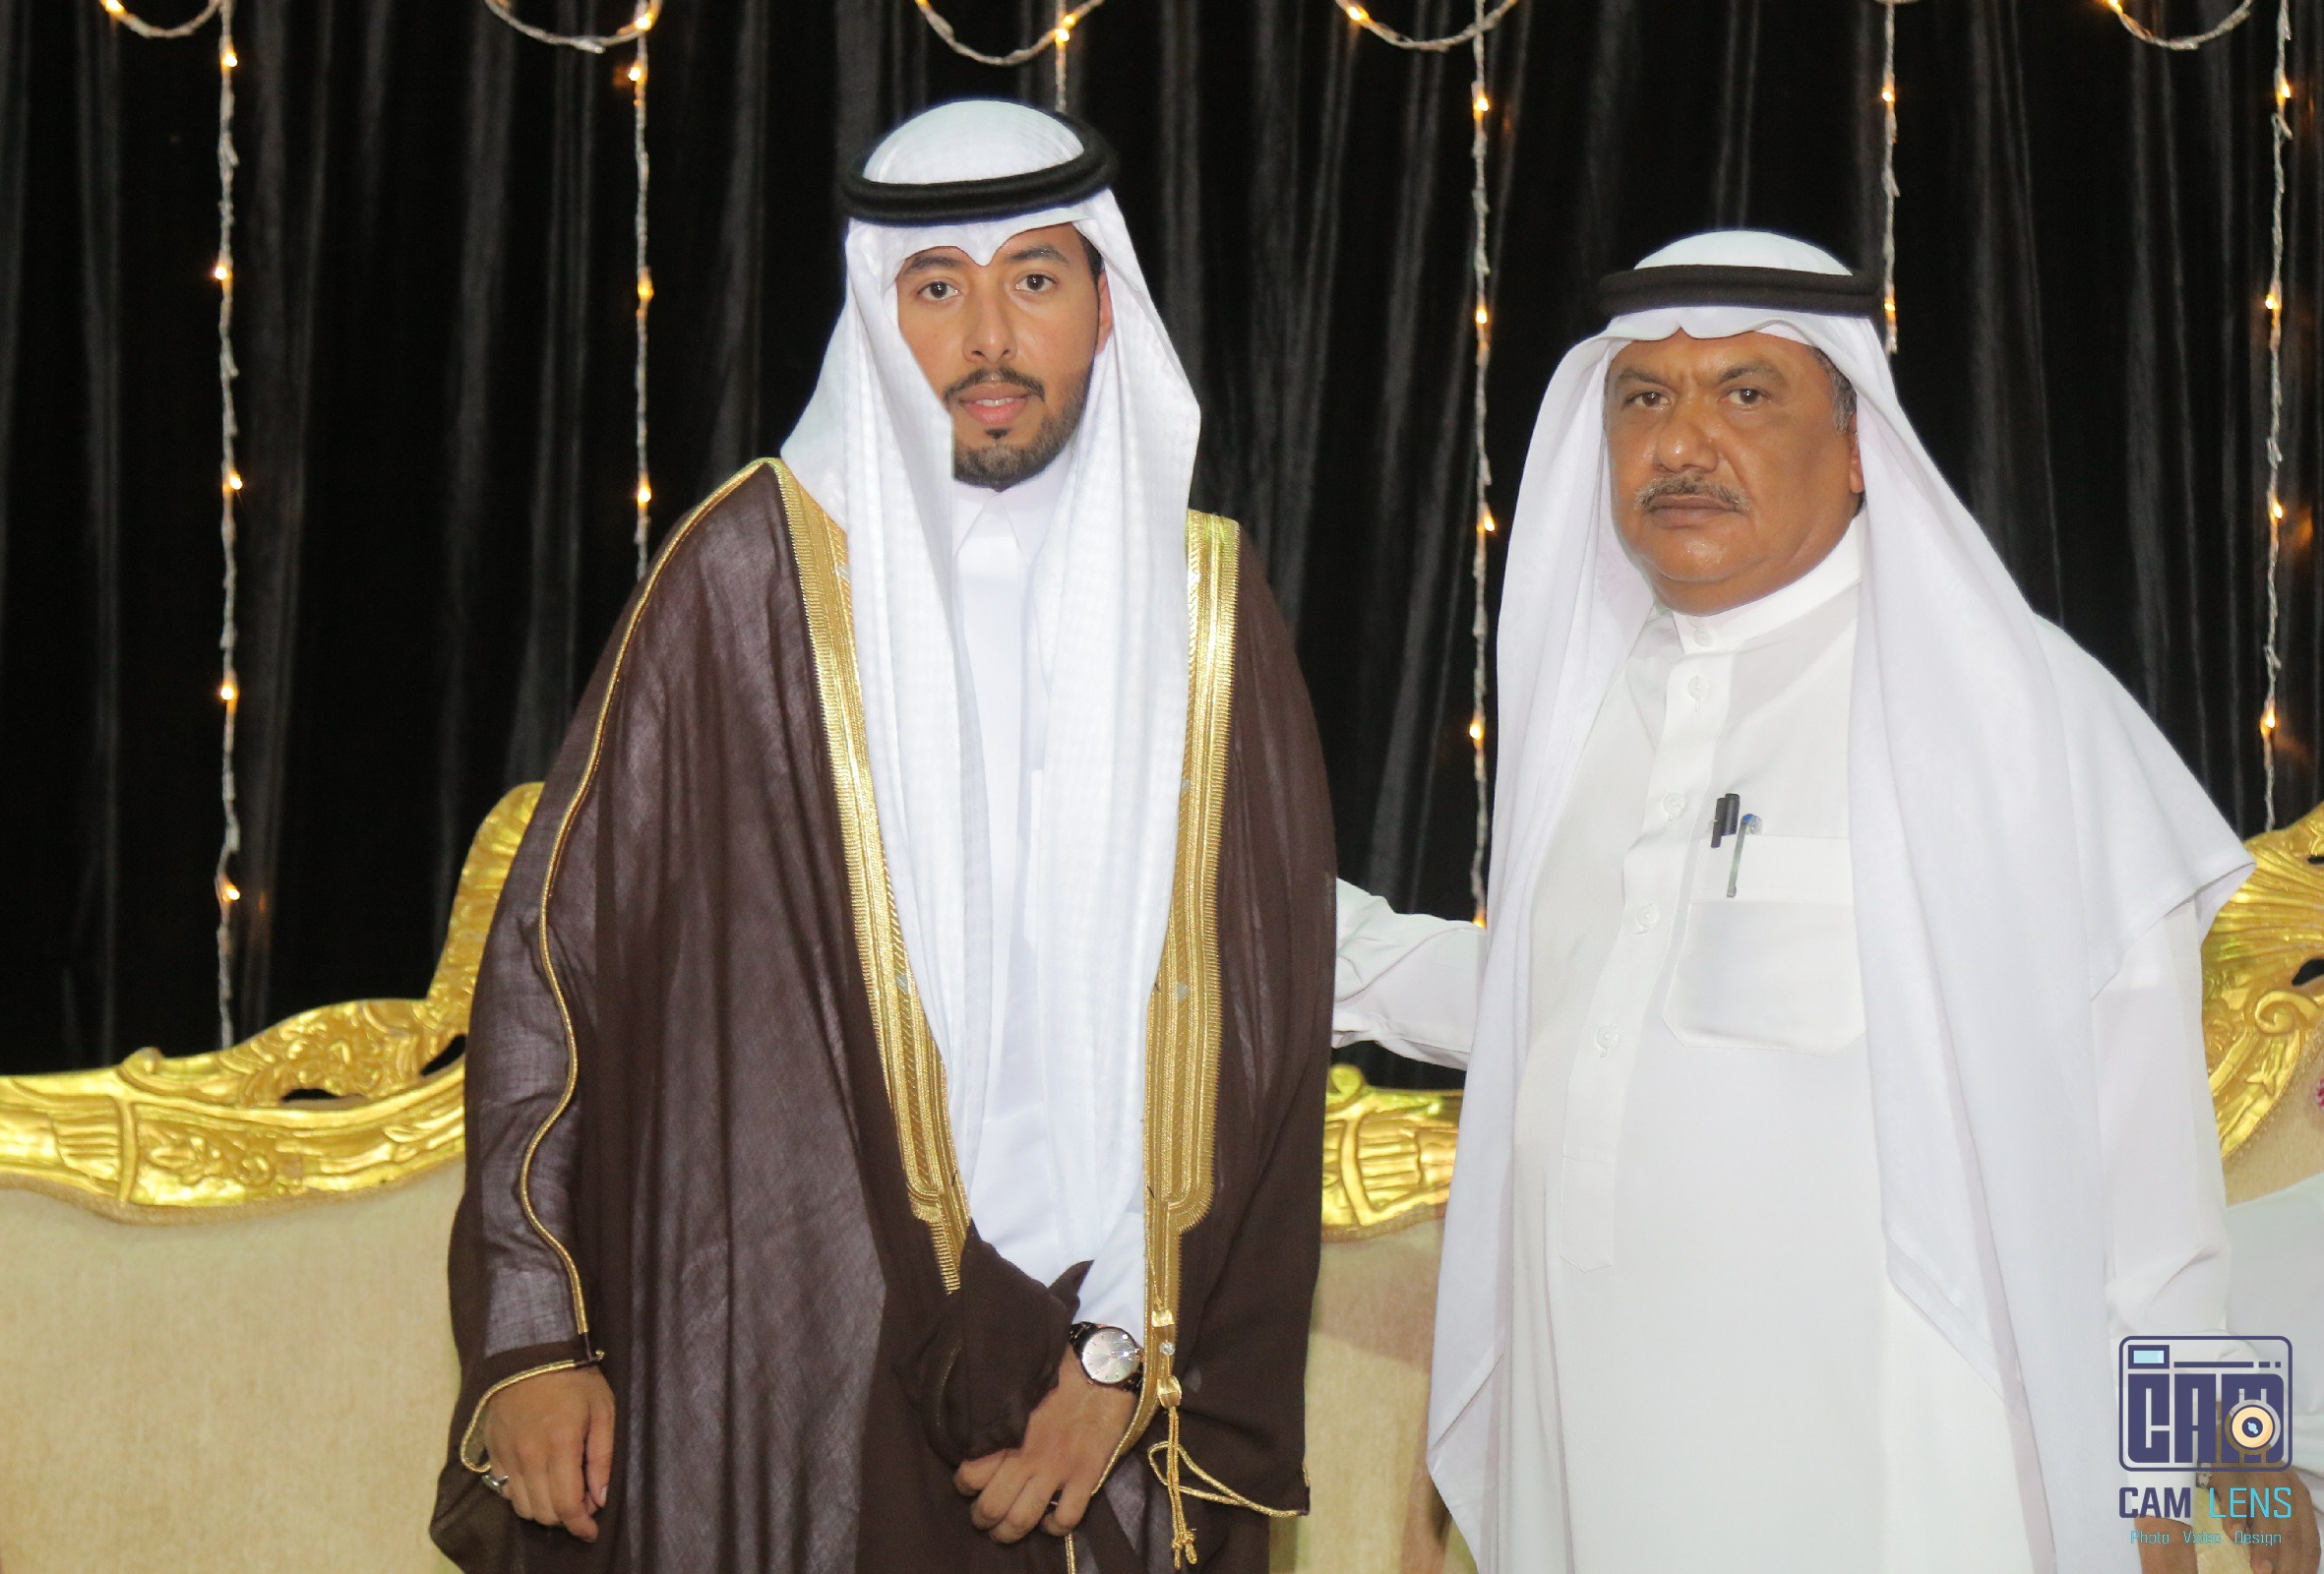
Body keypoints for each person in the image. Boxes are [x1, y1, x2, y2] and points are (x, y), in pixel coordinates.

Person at [431, 99, 1331, 1574]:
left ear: (1105, 306)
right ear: (876, 311)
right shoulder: (742, 588)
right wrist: (535, 1335)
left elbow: (1259, 1031)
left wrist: (1121, 1356)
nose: (989, 338)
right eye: (937, 288)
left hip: (1110, 1397)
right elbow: (553, 966)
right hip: (806, 1353)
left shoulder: (1211, 616)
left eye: (1034, 279)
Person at [1333, 230, 2318, 1574]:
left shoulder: (2007, 709)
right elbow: (1551, 1005)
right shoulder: (1590, 711)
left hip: (1910, 1483)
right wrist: (1272, 931)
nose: (1682, 442)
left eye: (1747, 394)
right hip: (1596, 1456)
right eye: (1644, 398)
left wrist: (2217, 1471)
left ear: (1860, 447)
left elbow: (2149, 1159)